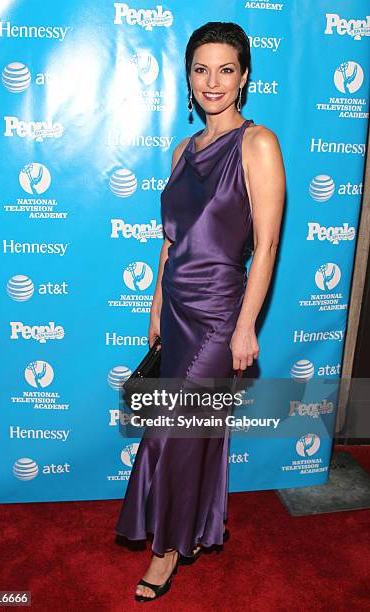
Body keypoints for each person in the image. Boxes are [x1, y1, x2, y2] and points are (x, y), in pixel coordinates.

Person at [115, 21, 285, 602]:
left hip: (218, 316)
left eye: (225, 69)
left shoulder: (257, 144)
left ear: (243, 79)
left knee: (173, 429)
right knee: (197, 430)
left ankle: (165, 550)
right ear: (188, 79)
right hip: (178, 309)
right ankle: (203, 521)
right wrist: (157, 305)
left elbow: (265, 245)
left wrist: (245, 326)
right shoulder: (182, 149)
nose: (212, 81)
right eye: (200, 69)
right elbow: (171, 238)